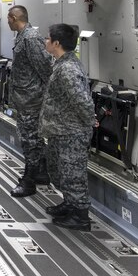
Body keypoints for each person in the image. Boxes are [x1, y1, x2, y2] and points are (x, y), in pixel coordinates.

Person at [40, 23, 96, 231]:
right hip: (60, 129)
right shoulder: (62, 64)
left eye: (47, 39)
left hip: (71, 132)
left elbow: (82, 101)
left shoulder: (68, 69)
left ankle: (80, 217)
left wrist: (89, 120)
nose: (45, 42)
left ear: (56, 43)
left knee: (73, 174)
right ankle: (70, 204)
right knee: (61, 171)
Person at [6, 5, 53, 197]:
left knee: (30, 140)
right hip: (24, 98)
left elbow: (45, 68)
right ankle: (41, 173)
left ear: (14, 18)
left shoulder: (31, 38)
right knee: (31, 138)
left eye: (8, 18)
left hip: (31, 99)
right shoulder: (22, 37)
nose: (7, 22)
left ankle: (29, 182)